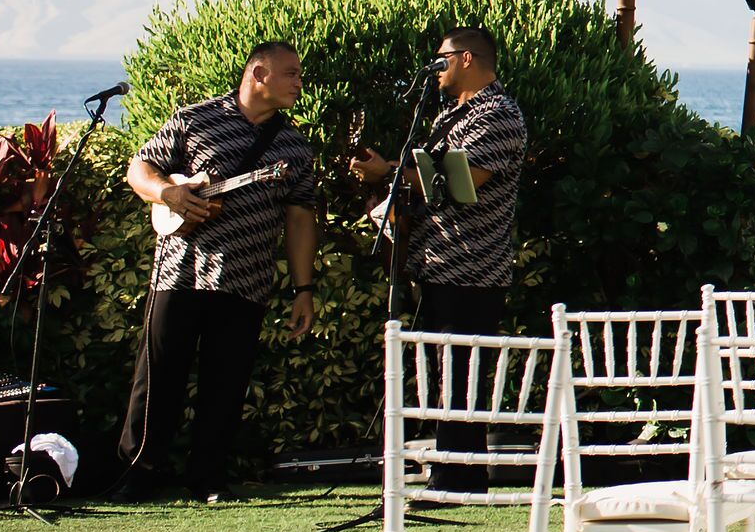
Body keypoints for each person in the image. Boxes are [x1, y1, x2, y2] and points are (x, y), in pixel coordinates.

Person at [121, 43, 319, 497]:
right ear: (259, 73)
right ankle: (139, 474)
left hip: (246, 278)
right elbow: (140, 167)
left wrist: (303, 288)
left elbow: (300, 217)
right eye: (290, 73)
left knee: (225, 384)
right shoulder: (194, 119)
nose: (298, 83)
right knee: (157, 378)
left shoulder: (293, 146)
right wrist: (169, 194)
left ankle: (206, 479)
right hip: (178, 270)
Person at [348, 25, 525, 333]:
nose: (435, 67)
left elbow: (461, 183)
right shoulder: (449, 115)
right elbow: (431, 179)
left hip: (471, 276)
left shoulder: (498, 114)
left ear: (466, 58)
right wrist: (391, 179)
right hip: (434, 268)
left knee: (460, 380)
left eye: (442, 59)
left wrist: (389, 172)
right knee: (435, 379)